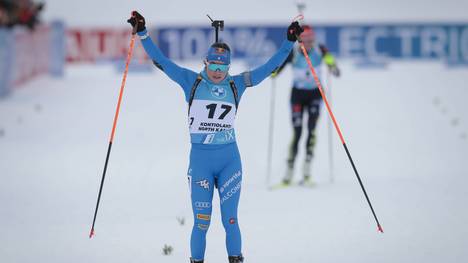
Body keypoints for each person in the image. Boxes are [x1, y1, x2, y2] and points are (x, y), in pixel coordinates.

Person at [127, 11, 303, 263]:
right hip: (201, 163)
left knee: (230, 219)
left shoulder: (236, 84)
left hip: (229, 160)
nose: (218, 71)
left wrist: (289, 42)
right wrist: (143, 33)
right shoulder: (191, 81)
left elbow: (268, 68)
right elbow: (162, 61)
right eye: (214, 65)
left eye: (223, 66)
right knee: (202, 222)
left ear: (229, 67)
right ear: (206, 62)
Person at [273, 25, 340, 186]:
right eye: (305, 40)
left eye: (311, 40)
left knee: (311, 130)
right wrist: (273, 72)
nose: (308, 43)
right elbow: (277, 70)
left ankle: (307, 172)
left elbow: (335, 69)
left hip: (315, 95)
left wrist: (331, 63)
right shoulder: (294, 52)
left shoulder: (320, 50)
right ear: (299, 40)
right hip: (297, 95)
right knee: (297, 133)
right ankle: (288, 175)